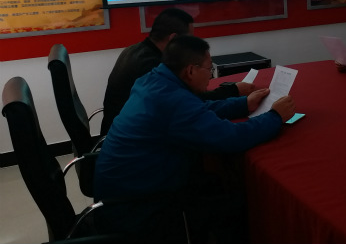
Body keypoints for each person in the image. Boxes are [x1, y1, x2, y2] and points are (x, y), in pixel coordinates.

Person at [94, 35, 295, 243]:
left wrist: (242, 104)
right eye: (209, 69)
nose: (211, 76)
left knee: (216, 184)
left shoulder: (153, 81)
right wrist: (275, 117)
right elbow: (230, 137)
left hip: (121, 194)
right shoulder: (172, 101)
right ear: (190, 70)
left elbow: (197, 109)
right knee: (236, 205)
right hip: (138, 210)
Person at [100, 7, 254, 135]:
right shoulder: (153, 67)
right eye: (189, 39)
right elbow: (190, 103)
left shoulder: (136, 50)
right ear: (173, 39)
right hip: (136, 143)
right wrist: (233, 91)